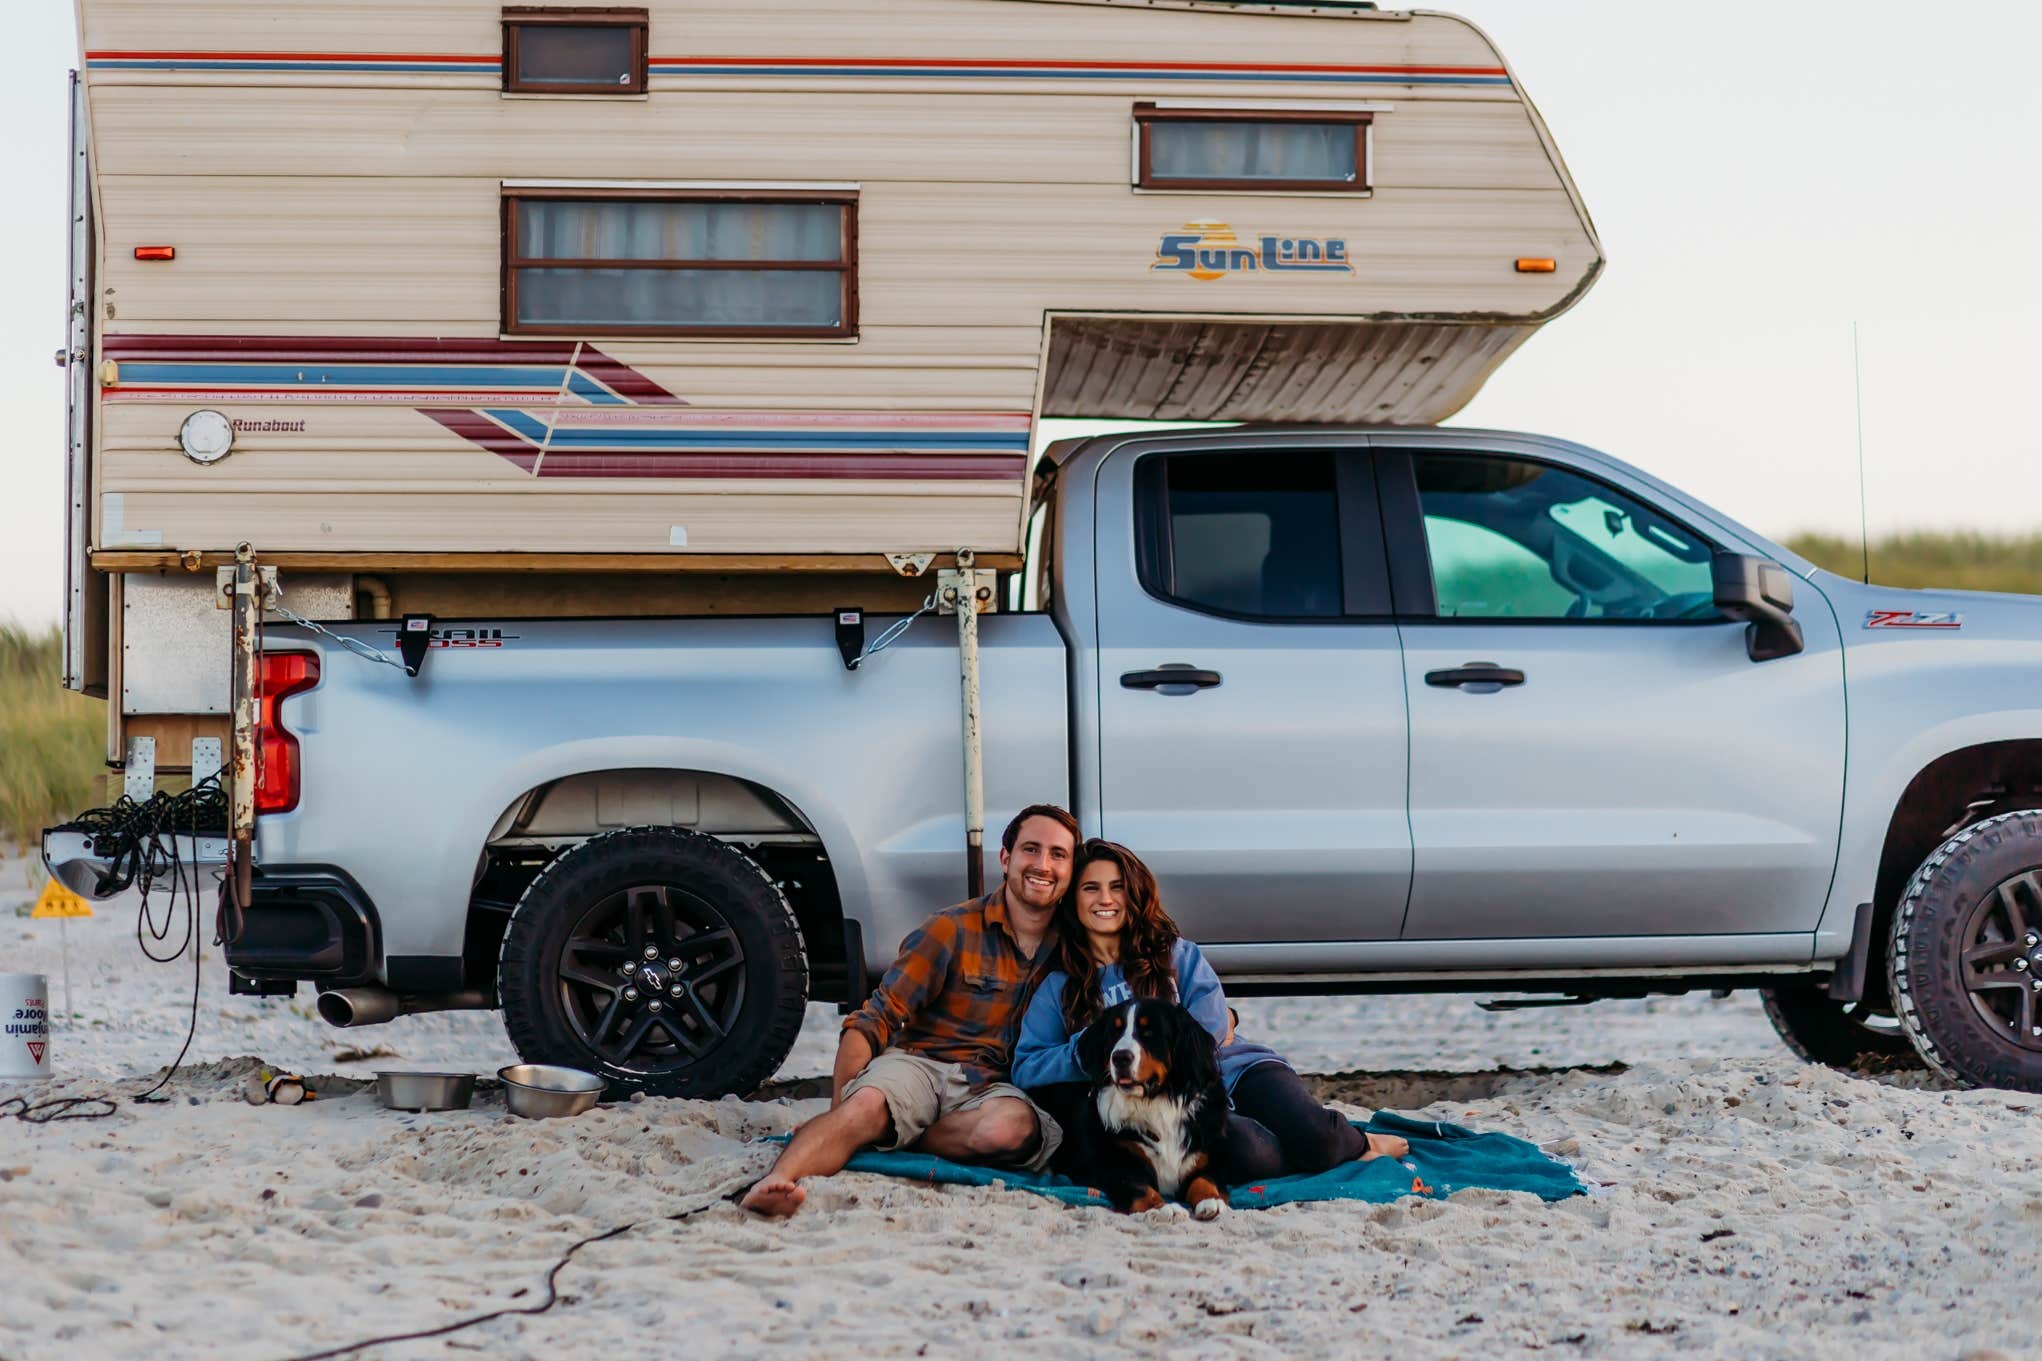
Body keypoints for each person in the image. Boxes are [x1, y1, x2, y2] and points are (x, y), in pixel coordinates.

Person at [739, 804, 1080, 1217]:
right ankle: (776, 1181)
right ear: (1006, 859)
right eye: (1031, 849)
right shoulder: (951, 929)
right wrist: (842, 1109)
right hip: (919, 1065)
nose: (1043, 865)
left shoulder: (1075, 950)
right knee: (864, 1106)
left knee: (1014, 1129)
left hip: (991, 1086)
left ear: (1071, 867)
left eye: (1058, 854)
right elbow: (873, 1021)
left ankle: (889, 1135)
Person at [1011, 838, 1408, 1180]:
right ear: (1073, 901)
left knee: (1316, 1134)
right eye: (1090, 888)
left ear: (1134, 894)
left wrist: (1163, 1052)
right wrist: (1091, 1051)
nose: (1105, 899)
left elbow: (1214, 1022)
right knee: (1252, 1153)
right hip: (1164, 1108)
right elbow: (1027, 1066)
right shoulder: (1059, 987)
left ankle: (1360, 1141)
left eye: (1117, 887)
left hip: (1238, 1070)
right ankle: (1314, 1153)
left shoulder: (1175, 956)